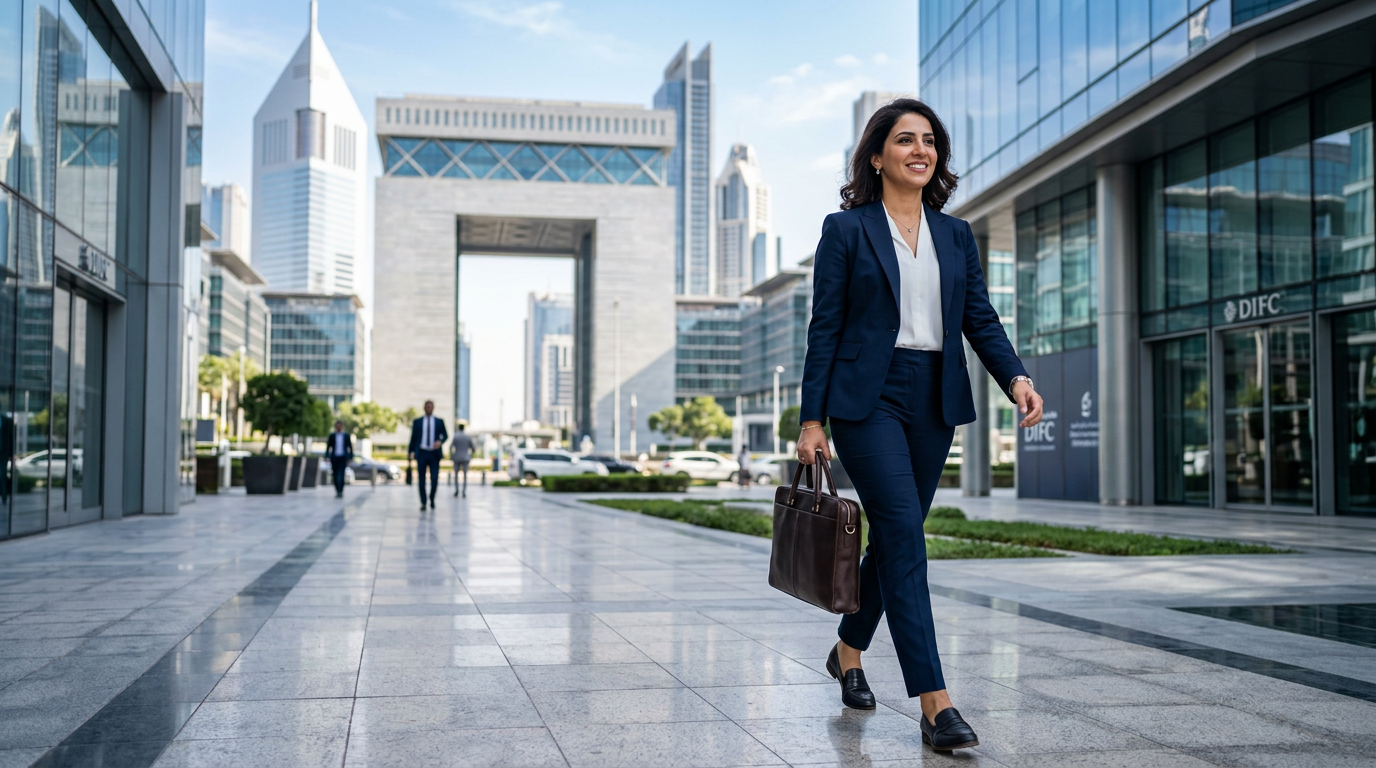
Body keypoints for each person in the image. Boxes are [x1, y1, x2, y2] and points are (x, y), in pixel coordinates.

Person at [796, 98, 1043, 753]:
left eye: (929, 141)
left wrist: (1014, 377)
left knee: (895, 540)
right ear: (876, 156)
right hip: (866, 399)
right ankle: (937, 704)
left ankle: (848, 650)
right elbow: (826, 326)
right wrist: (811, 417)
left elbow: (980, 319)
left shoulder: (955, 235)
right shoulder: (846, 230)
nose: (920, 150)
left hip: (934, 397)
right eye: (905, 140)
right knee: (904, 531)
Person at [407, 400, 448, 511]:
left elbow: (445, 435)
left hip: (434, 454)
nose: (429, 408)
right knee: (421, 479)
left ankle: (432, 498)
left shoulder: (439, 421)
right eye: (427, 406)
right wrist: (410, 453)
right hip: (422, 453)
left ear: (433, 408)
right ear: (424, 408)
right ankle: (424, 502)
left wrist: (440, 441)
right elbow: (413, 438)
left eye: (430, 406)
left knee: (434, 478)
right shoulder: (418, 422)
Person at [326, 420, 353, 498]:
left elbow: (350, 447)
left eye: (340, 426)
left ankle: (340, 491)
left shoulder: (346, 435)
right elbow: (328, 447)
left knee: (341, 475)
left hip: (343, 458)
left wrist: (350, 457)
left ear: (342, 426)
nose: (338, 427)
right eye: (337, 426)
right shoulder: (332, 435)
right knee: (335, 475)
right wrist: (327, 456)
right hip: (334, 458)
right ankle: (337, 490)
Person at [451, 423, 475, 498]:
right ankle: (464, 491)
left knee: (456, 476)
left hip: (457, 457)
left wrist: (451, 456)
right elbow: (473, 448)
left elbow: (451, 447)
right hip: (465, 457)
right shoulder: (467, 437)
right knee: (465, 476)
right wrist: (470, 455)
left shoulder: (456, 436)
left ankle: (457, 490)